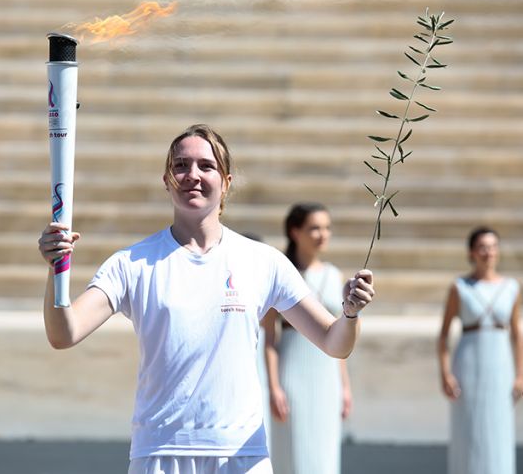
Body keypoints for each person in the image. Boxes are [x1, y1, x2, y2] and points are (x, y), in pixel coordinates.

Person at [38, 124, 374, 474]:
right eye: (180, 165)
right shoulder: (132, 263)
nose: (192, 175)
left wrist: (350, 313)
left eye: (206, 166)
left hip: (242, 455)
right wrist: (55, 269)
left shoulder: (263, 261)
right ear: (167, 180)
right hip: (160, 451)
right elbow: (64, 333)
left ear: (226, 182)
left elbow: (334, 343)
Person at [261, 203, 351, 474]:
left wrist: (345, 386)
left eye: (326, 228)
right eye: (314, 228)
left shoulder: (335, 276)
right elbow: (269, 338)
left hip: (327, 378)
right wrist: (274, 386)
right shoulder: (282, 276)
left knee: (325, 456)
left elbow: (340, 339)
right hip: (293, 375)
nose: (322, 234)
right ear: (295, 231)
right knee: (295, 453)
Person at [438, 226, 522, 474]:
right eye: (483, 247)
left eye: (493, 247)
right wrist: (445, 374)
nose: (489, 253)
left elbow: (516, 334)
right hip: (468, 365)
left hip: (500, 366)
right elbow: (443, 335)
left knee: (499, 430)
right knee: (469, 429)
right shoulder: (460, 287)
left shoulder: (511, 287)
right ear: (472, 252)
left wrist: (520, 374)